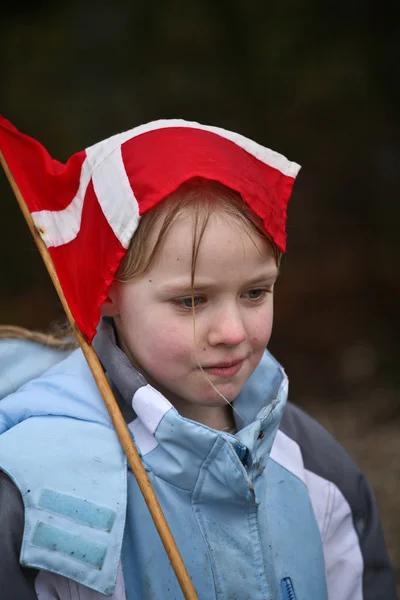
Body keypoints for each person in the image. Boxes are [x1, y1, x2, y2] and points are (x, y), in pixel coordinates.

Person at [0, 119, 396, 600]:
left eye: (255, 292)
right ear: (107, 294)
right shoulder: (29, 488)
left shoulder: (315, 466)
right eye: (190, 301)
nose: (232, 333)